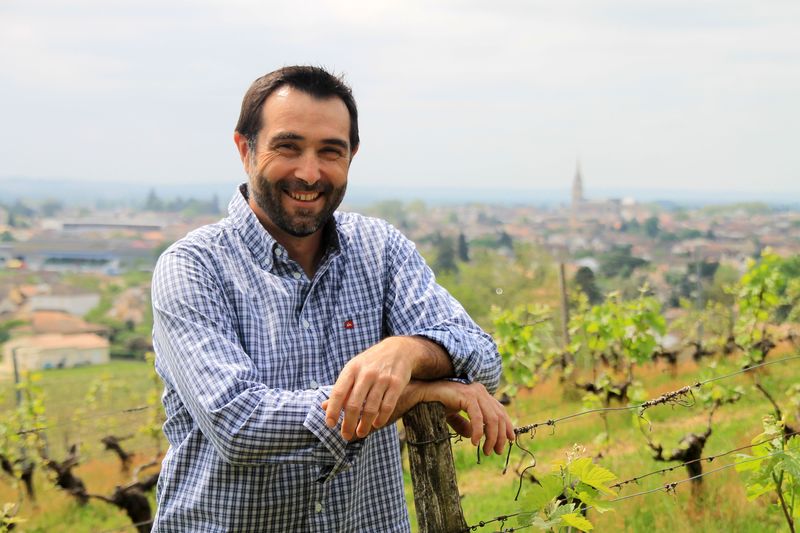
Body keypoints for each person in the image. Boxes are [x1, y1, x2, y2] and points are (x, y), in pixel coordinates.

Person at [150, 65, 514, 532]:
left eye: (330, 151)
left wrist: (407, 351)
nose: (309, 173)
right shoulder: (193, 267)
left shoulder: (380, 249)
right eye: (288, 147)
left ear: (351, 156)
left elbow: (483, 360)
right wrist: (414, 392)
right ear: (245, 149)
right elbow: (239, 423)